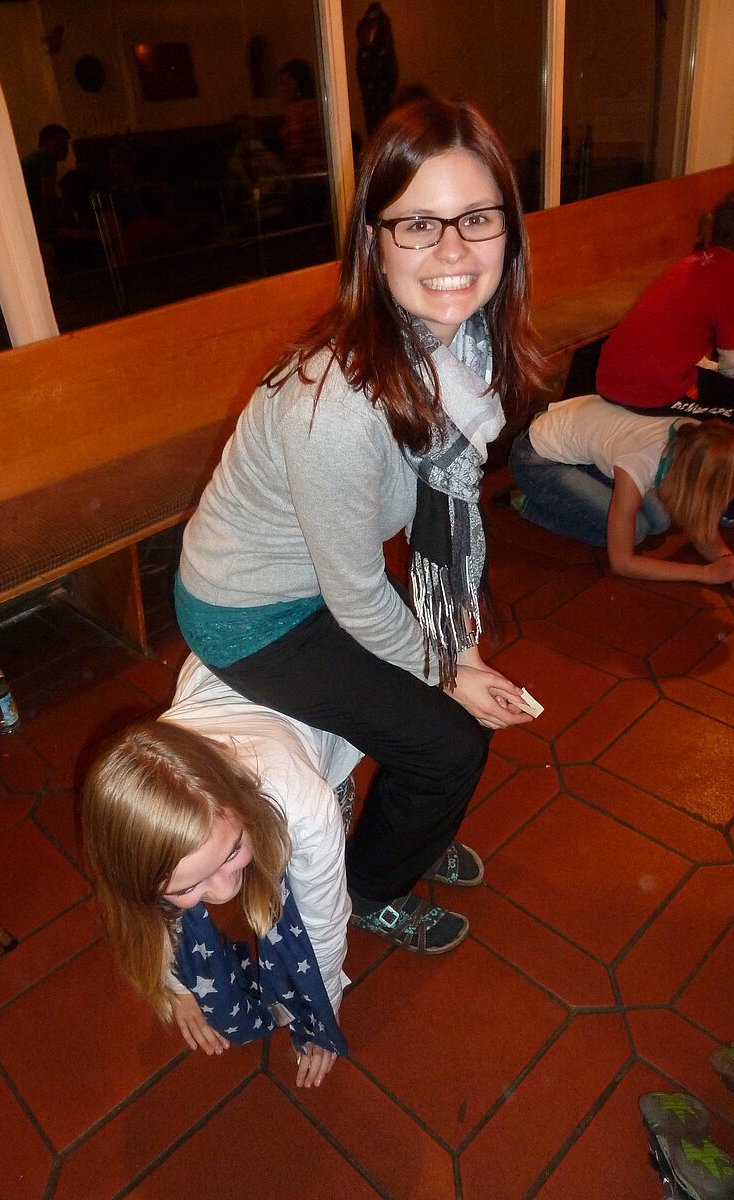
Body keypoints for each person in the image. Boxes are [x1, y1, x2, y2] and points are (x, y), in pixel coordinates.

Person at [173, 95, 546, 956]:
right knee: (449, 746)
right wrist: (446, 672)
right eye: (417, 224)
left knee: (444, 729)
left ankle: (405, 832)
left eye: (477, 218)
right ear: (373, 244)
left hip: (315, 584)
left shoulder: (458, 354)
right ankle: (372, 887)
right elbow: (356, 596)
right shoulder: (339, 405)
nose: (453, 250)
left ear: (509, 231)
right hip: (250, 613)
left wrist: (463, 652)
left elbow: (440, 524)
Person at [82, 653, 360, 1089]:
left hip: (317, 690)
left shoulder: (305, 808)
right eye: (190, 884)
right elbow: (142, 913)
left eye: (230, 853)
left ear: (240, 810)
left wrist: (322, 1010)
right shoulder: (144, 840)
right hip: (216, 675)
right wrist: (177, 986)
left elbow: (323, 925)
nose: (225, 890)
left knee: (310, 877)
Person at [508, 393, 734, 586]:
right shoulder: (640, 460)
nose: (726, 503)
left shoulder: (695, 437)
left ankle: (576, 484)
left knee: (660, 519)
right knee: (635, 532)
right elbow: (622, 563)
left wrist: (727, 561)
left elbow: (694, 520)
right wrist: (704, 574)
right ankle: (525, 502)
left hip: (580, 446)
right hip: (535, 460)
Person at [595, 192, 734, 423]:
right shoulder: (729, 278)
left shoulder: (698, 260)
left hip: (611, 376)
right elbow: (731, 367)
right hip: (649, 391)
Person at [20, 123, 71, 272]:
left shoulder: (34, 158)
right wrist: (51, 227)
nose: (65, 147)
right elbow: (48, 196)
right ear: (46, 142)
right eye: (60, 141)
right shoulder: (45, 158)